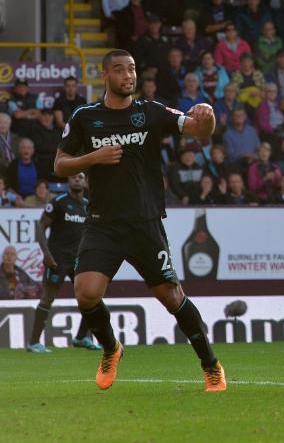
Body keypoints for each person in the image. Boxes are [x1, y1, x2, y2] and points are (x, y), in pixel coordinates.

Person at [54, 49, 226, 391]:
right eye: (119, 70)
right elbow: (59, 165)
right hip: (103, 223)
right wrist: (94, 158)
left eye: (131, 69)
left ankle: (211, 365)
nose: (127, 75)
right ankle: (110, 348)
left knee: (172, 297)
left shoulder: (150, 111)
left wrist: (207, 115)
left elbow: (199, 130)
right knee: (85, 293)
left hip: (144, 223)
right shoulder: (86, 117)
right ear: (105, 76)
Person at [27, 173, 101, 353]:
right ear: (68, 181)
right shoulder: (59, 202)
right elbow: (40, 226)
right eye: (73, 177)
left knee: (90, 296)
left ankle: (82, 337)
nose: (77, 179)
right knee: (48, 296)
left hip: (79, 260)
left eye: (81, 177)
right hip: (57, 259)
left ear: (85, 181)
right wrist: (46, 254)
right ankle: (34, 342)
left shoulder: (87, 206)